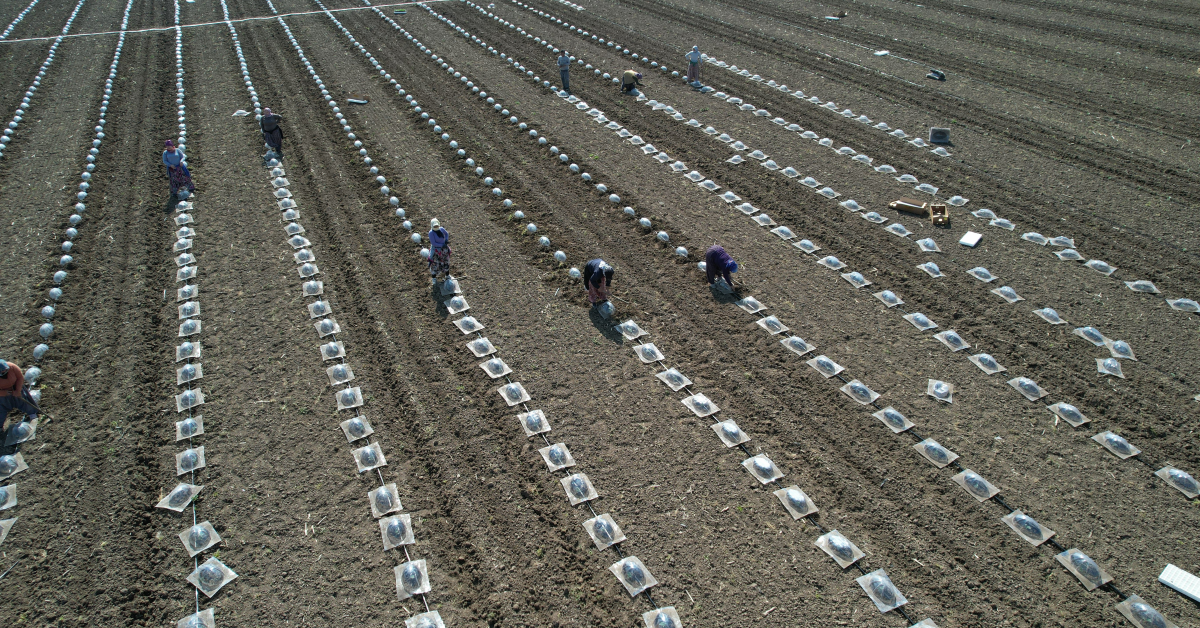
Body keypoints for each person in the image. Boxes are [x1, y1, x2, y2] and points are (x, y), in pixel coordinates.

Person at [0, 359, 39, 430]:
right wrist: (4, 393)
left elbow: (20, 377)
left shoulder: (12, 367)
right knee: (1, 409)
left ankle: (32, 414)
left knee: (24, 401)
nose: (5, 372)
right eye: (2, 372)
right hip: (2, 394)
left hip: (15, 387)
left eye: (6, 370)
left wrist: (17, 390)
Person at [428, 218, 452, 284]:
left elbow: (446, 234)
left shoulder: (441, 229)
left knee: (446, 262)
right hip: (436, 251)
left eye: (437, 225)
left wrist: (446, 240)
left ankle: (447, 275)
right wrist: (442, 245)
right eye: (434, 226)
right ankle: (434, 278)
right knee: (435, 264)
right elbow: (434, 243)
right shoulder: (431, 233)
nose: (436, 227)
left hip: (444, 251)